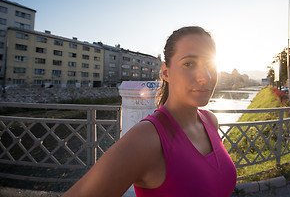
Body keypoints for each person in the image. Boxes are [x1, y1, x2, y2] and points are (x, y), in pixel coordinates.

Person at [63, 26, 237, 197]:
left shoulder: (210, 121)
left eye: (210, 64)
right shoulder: (147, 139)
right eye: (189, 64)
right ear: (166, 72)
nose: (205, 76)